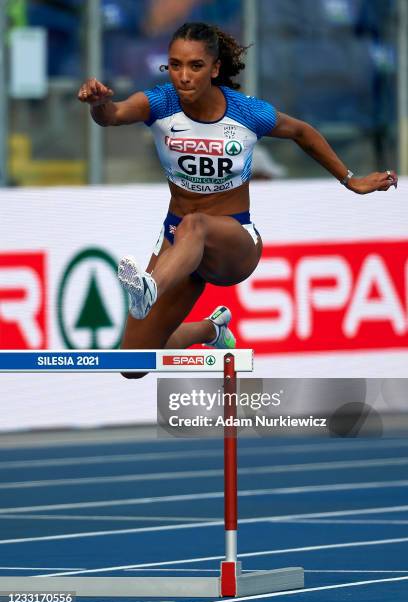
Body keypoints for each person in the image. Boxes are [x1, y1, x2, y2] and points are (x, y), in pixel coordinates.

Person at [78, 22, 398, 378]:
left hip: (234, 242)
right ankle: (211, 330)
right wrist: (99, 103)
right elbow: (112, 116)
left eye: (195, 66)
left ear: (215, 69)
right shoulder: (159, 103)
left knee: (196, 223)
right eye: (175, 65)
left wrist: (350, 179)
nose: (183, 76)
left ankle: (150, 288)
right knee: (133, 365)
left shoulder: (247, 113)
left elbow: (302, 132)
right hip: (177, 244)